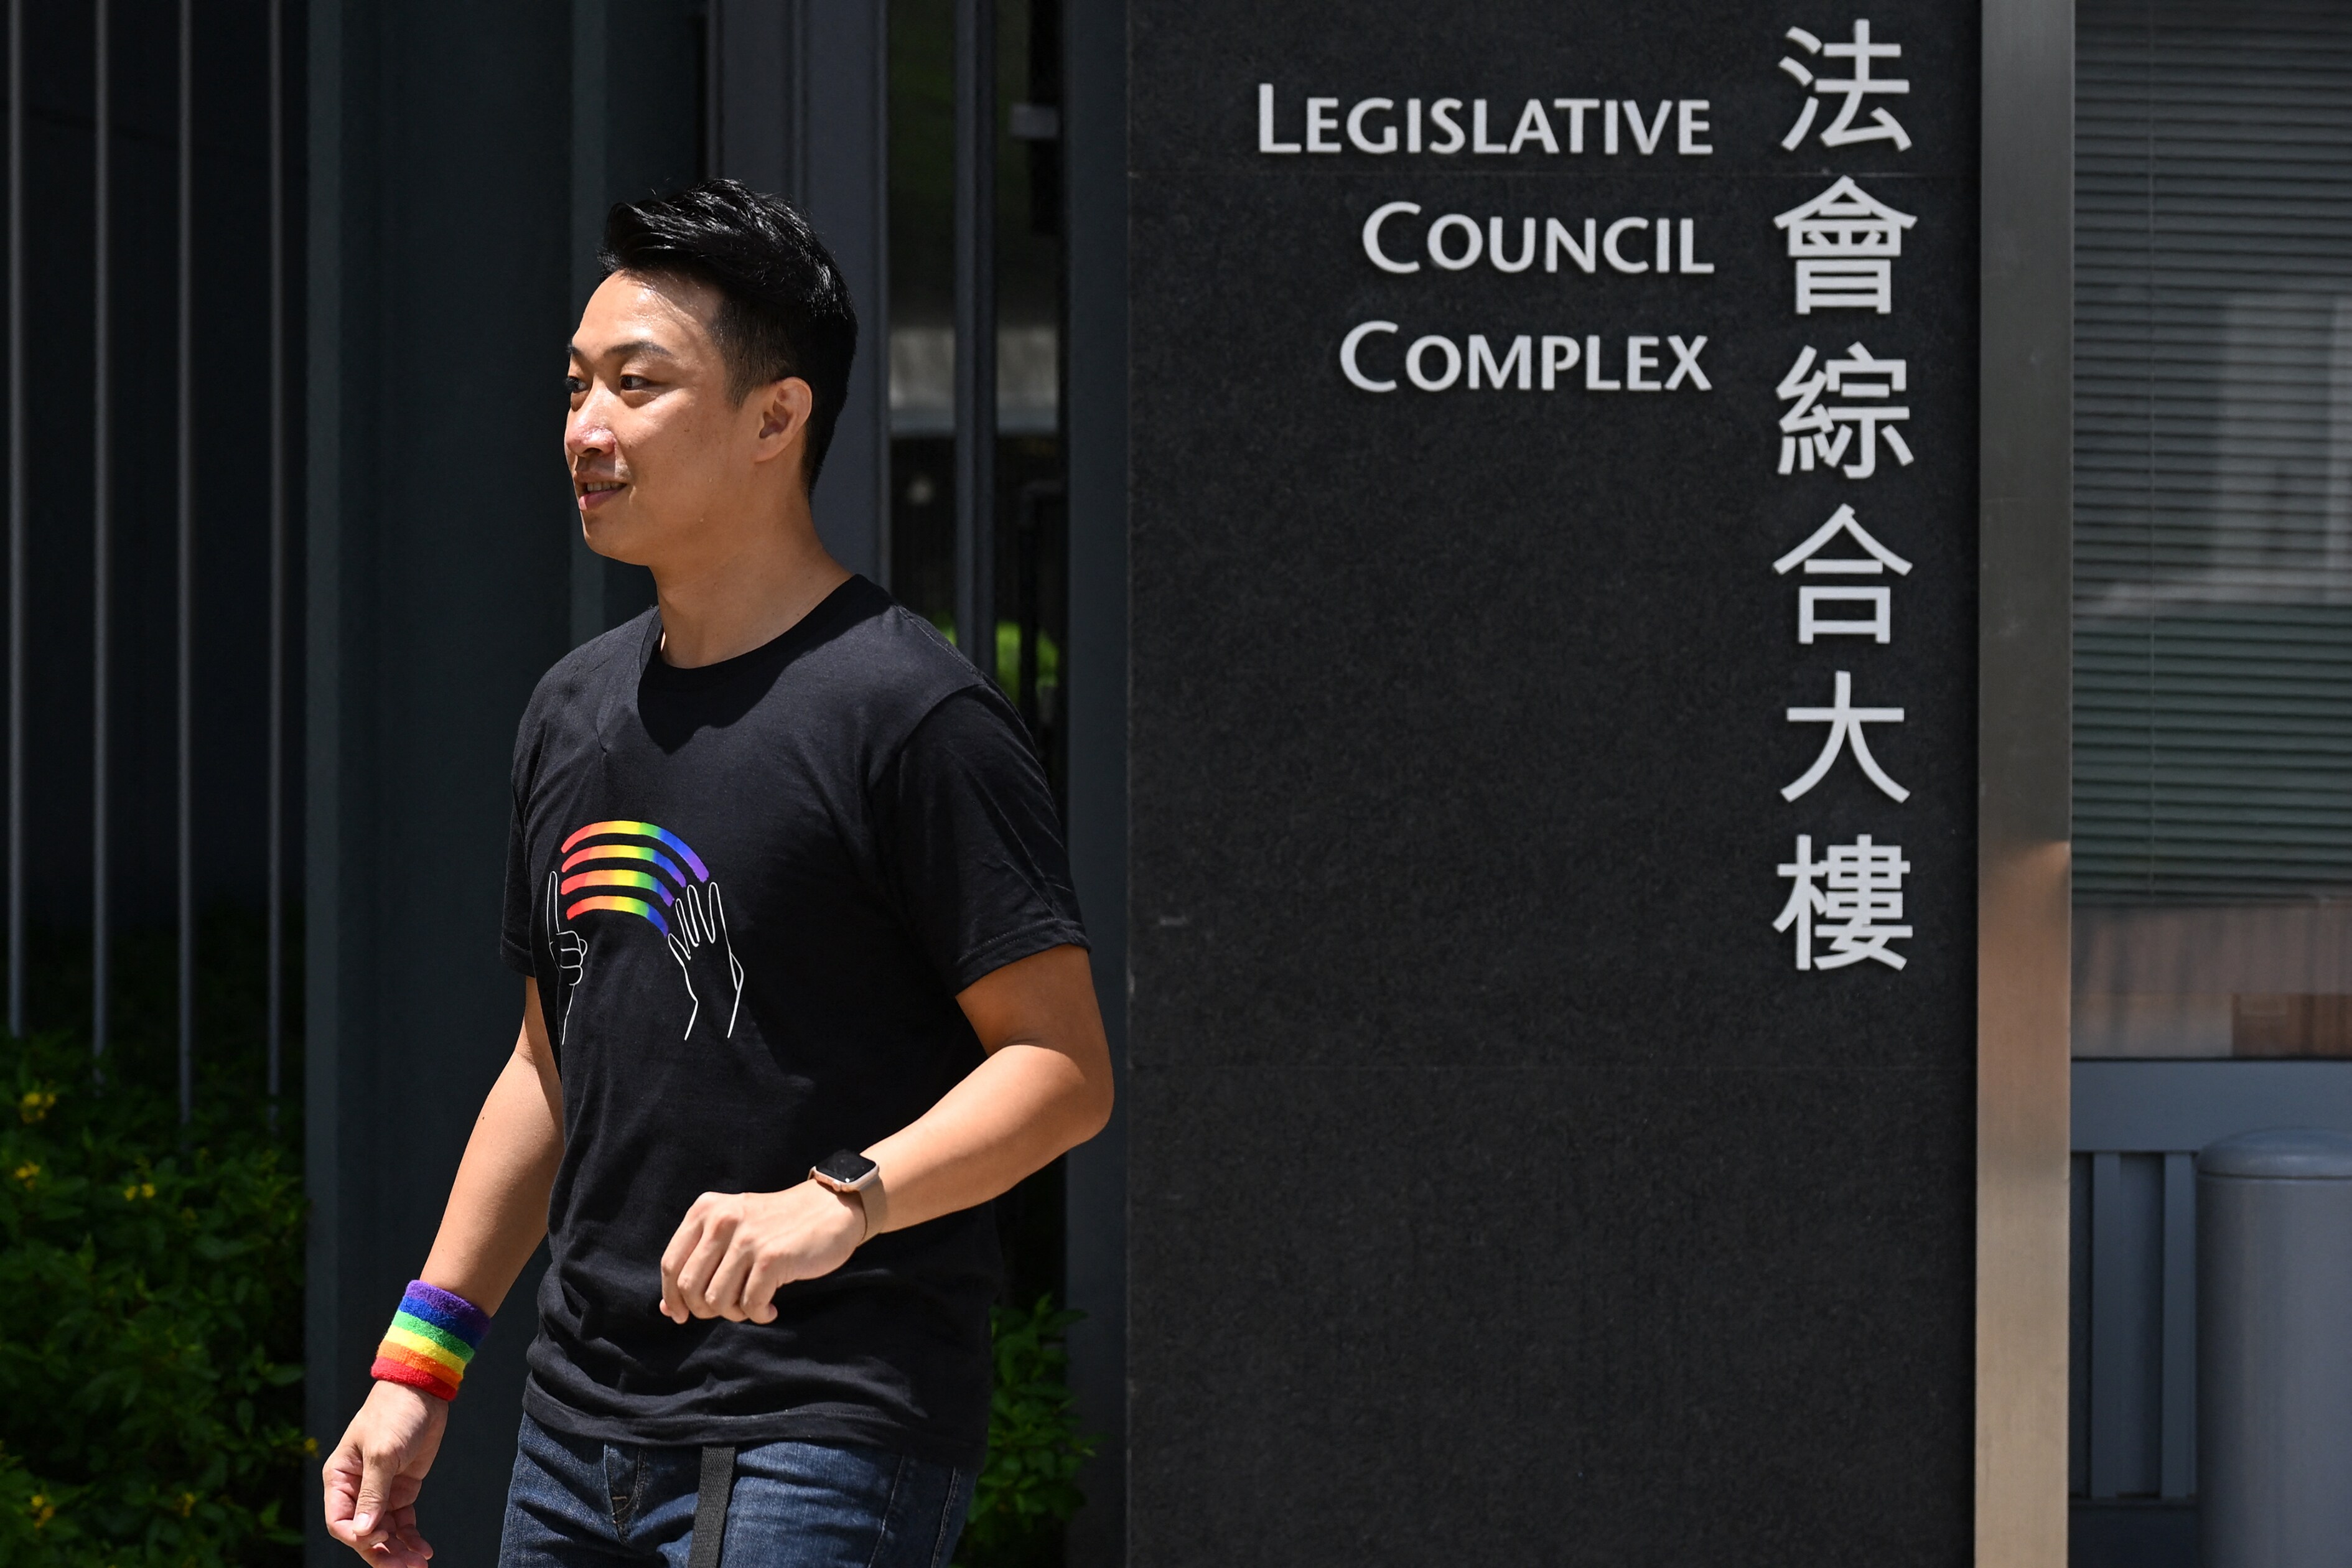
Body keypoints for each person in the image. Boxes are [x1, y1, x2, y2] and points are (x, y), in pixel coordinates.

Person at [320, 180, 1113, 1568]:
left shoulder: (909, 714)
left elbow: (1061, 1070)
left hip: (827, 1429)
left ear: (775, 417)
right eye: (576, 386)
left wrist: (836, 1201)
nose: (586, 427)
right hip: (574, 1436)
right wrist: (419, 1364)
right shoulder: (573, 711)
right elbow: (548, 1067)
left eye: (637, 385)